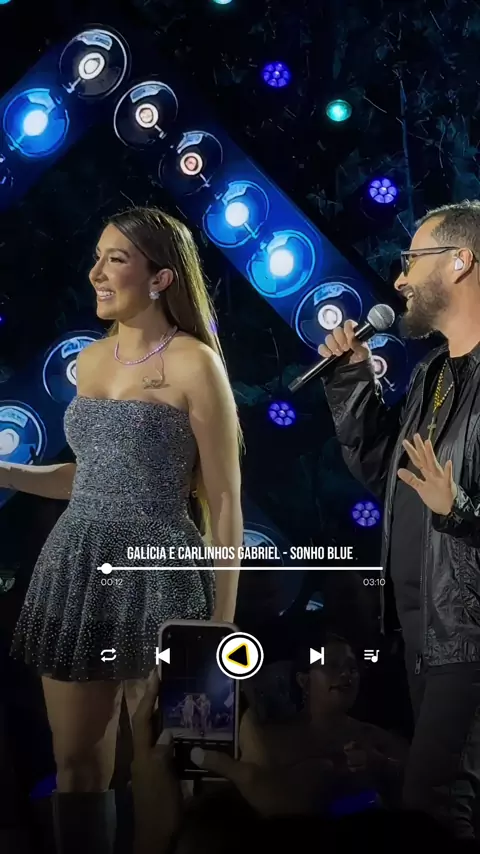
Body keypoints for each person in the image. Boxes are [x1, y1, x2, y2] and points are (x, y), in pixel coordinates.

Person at [6, 206, 243, 853]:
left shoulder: (196, 364)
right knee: (76, 765)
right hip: (78, 568)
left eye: (116, 259)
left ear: (161, 278)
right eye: (97, 257)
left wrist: (219, 630)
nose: (97, 273)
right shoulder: (90, 361)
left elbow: (224, 499)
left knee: (170, 769)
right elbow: (91, 477)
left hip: (160, 570)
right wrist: (7, 472)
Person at [318, 199, 480, 838]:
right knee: (443, 803)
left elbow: (447, 502)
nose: (401, 277)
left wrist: (459, 509)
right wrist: (352, 381)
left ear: (462, 261)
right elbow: (387, 473)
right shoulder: (434, 372)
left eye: (413, 259)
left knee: (433, 799)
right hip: (424, 630)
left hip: (470, 631)